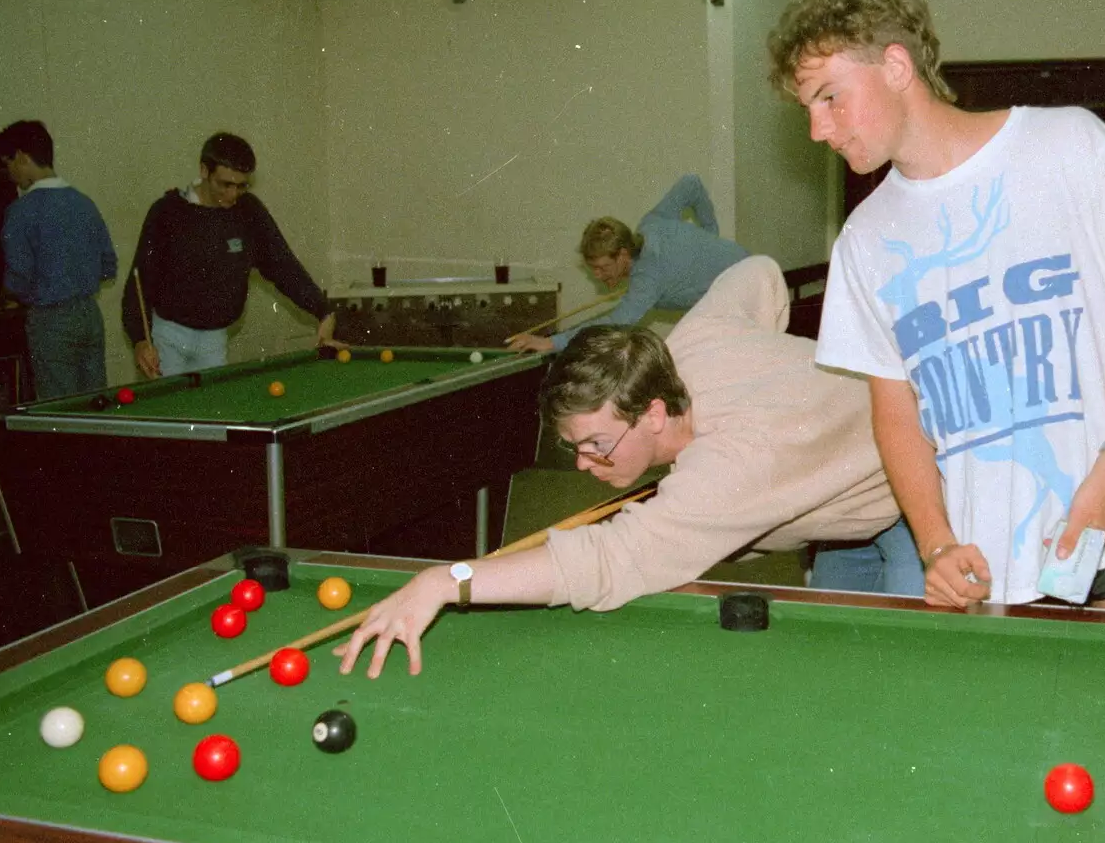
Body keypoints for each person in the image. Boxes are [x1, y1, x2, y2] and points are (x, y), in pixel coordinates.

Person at [767, 0, 1105, 613]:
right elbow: (896, 412)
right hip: (992, 563)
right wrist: (935, 545)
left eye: (829, 96)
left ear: (896, 66)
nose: (817, 129)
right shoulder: (863, 241)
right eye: (807, 108)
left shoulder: (1068, 143)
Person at [338, 256, 919, 678]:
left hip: (916, 492)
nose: (586, 465)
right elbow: (760, 273)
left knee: (901, 673)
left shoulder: (729, 465)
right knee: (843, 672)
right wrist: (775, 371)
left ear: (656, 413)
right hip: (840, 521)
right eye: (574, 449)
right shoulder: (686, 343)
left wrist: (447, 580)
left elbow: (607, 560)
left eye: (597, 445)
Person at [121, 132, 339, 378]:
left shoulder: (248, 212)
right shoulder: (167, 212)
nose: (233, 194)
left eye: (241, 185)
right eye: (225, 184)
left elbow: (283, 265)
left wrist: (323, 309)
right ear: (204, 171)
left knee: (213, 415)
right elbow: (139, 280)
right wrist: (140, 339)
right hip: (168, 339)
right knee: (176, 415)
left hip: (215, 339)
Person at [506, 174, 748, 354]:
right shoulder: (651, 223)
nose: (598, 276)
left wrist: (549, 343)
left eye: (602, 268)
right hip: (752, 270)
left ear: (622, 255)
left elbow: (614, 324)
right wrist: (710, 233)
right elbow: (691, 184)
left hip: (747, 292)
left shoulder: (648, 278)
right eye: (593, 269)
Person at [0, 121, 118, 400]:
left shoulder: (20, 211)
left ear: (22, 157)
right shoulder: (84, 202)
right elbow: (109, 265)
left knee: (60, 410)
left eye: (9, 164)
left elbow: (19, 278)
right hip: (90, 315)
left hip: (51, 321)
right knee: (95, 404)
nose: (11, 174)